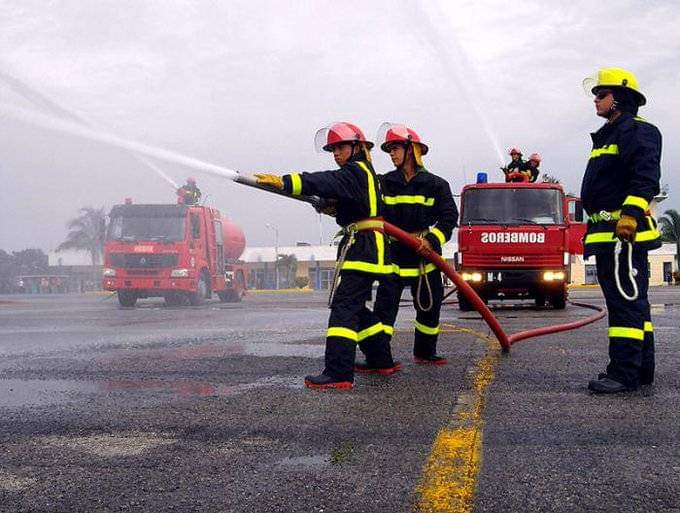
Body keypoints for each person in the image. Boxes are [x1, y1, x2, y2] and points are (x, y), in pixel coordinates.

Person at [254, 122, 399, 390]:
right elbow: (350, 202)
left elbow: (322, 180)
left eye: (341, 147)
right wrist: (331, 206)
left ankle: (339, 372)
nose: (336, 153)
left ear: (357, 147)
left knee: (344, 307)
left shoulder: (354, 171)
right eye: (333, 149)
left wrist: (286, 181)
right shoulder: (365, 174)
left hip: (364, 247)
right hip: (370, 246)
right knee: (355, 306)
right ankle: (381, 359)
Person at [580, 68, 662, 394]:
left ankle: (624, 373)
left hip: (622, 236)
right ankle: (641, 368)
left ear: (620, 97)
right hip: (608, 234)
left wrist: (628, 215)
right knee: (634, 304)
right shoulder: (612, 133)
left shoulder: (637, 131)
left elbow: (645, 178)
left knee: (625, 303)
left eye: (601, 94)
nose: (596, 100)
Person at [357, 123, 457, 369]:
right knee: (384, 311)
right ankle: (378, 357)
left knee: (429, 309)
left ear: (412, 150)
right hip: (393, 258)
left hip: (425, 258)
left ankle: (425, 352)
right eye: (389, 149)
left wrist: (431, 241)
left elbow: (448, 218)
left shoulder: (436, 185)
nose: (391, 154)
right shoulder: (383, 183)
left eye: (395, 148)